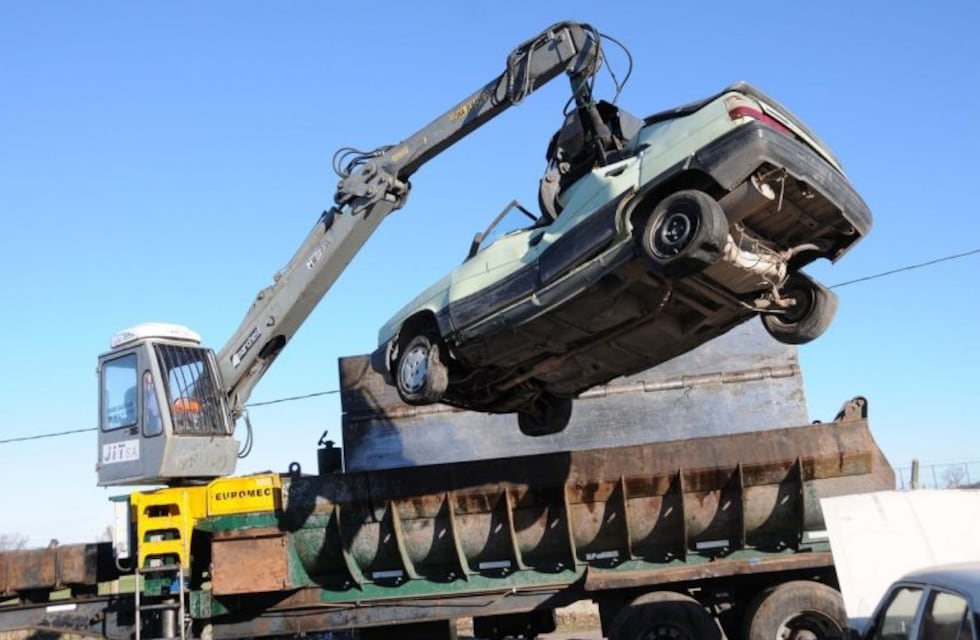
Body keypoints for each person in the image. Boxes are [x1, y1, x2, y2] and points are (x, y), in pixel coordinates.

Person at [143, 371, 163, 436]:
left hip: (159, 421)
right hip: (150, 423)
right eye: (146, 375)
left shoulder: (159, 389)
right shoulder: (143, 390)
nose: (147, 376)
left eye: (148, 375)